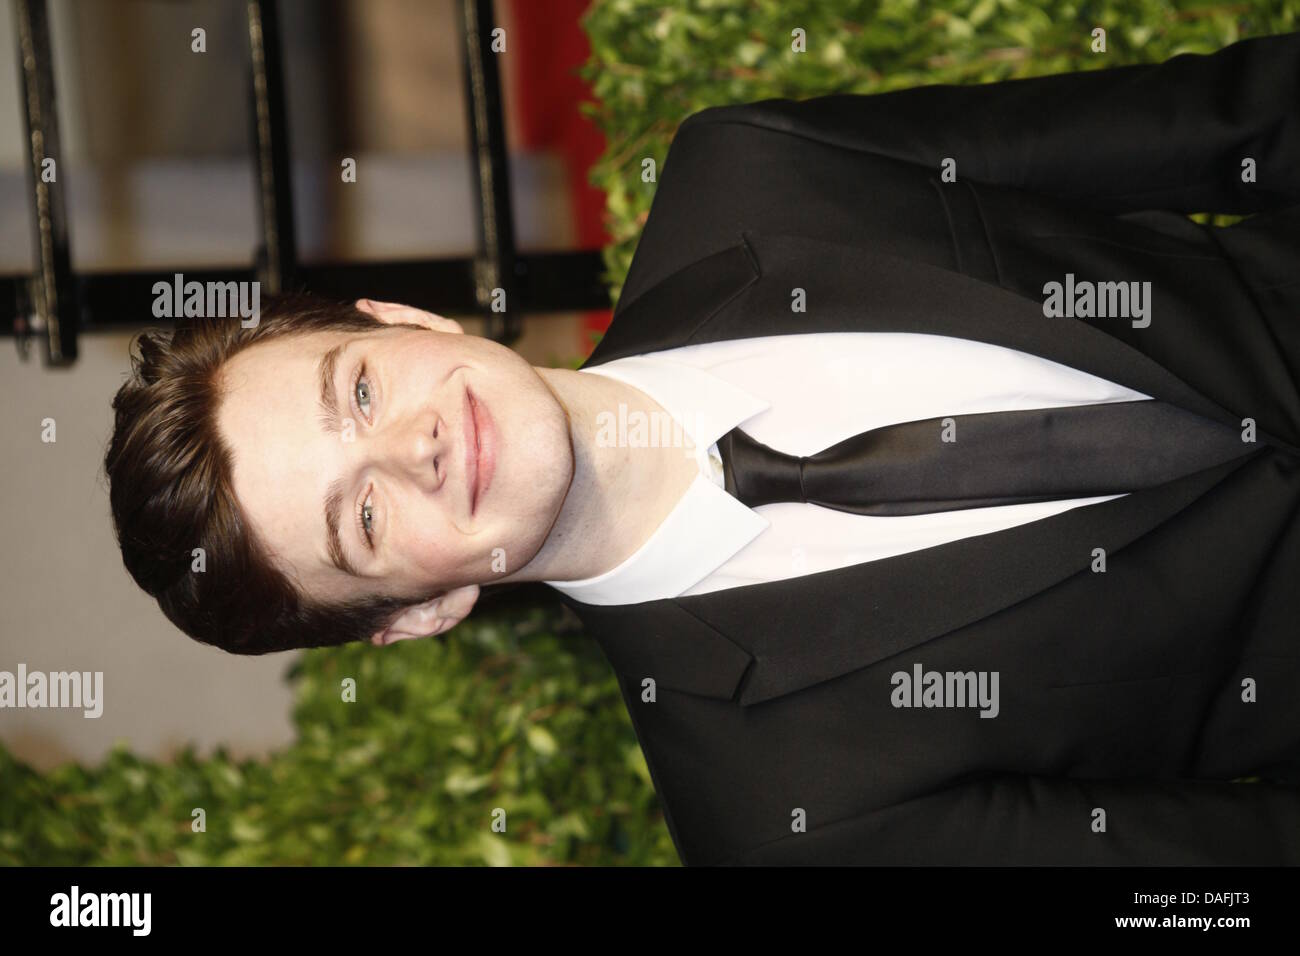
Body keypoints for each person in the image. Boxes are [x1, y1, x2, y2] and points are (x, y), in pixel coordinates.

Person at [106, 30, 1300, 865]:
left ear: (405, 322)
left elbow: (1233, 119)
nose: (409, 446)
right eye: (359, 521)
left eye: (356, 391)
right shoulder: (775, 814)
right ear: (416, 614)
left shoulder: (753, 170)